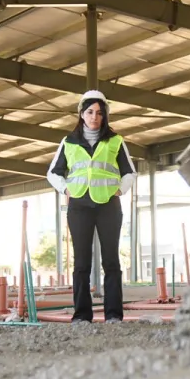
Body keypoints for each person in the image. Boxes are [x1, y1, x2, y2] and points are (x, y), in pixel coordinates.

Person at [46, 90, 136, 323]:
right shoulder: (69, 142)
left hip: (108, 205)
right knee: (81, 263)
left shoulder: (115, 141)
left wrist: (119, 190)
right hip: (79, 206)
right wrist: (66, 189)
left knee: (111, 261)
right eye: (90, 112)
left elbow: (130, 172)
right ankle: (81, 316)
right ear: (81, 114)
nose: (94, 117)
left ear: (105, 116)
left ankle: (114, 315)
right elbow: (53, 172)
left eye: (99, 113)